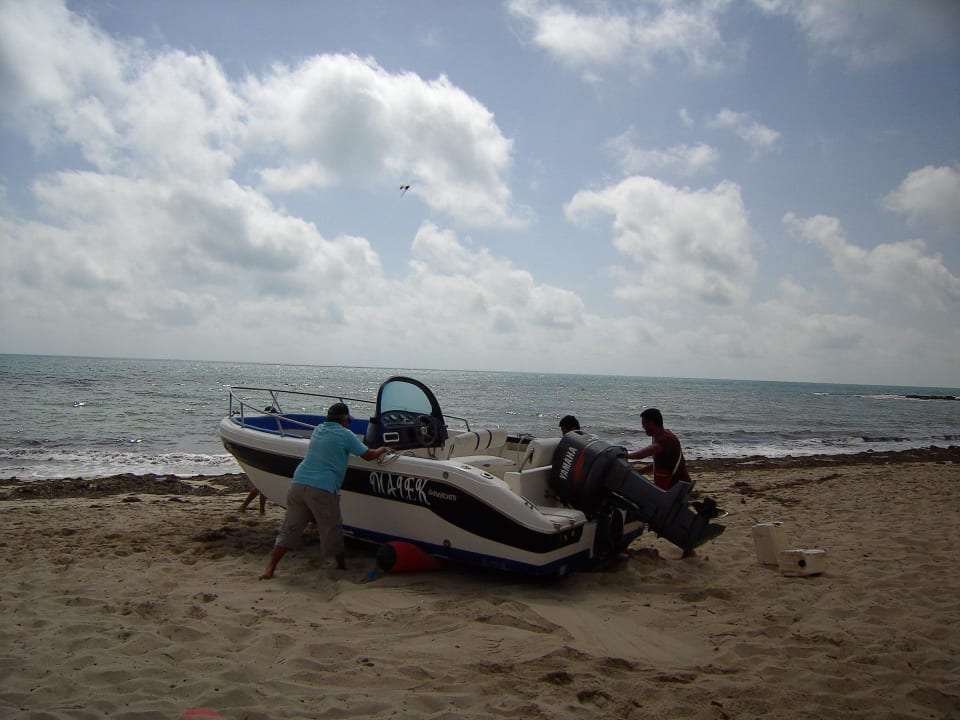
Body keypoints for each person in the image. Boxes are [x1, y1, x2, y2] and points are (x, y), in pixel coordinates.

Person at [260, 402, 390, 580]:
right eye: (348, 420)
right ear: (344, 420)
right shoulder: (346, 434)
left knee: (290, 528)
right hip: (322, 487)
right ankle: (341, 566)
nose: (349, 423)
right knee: (332, 529)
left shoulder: (318, 429)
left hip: (298, 483)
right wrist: (383, 449)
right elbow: (367, 455)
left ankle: (270, 568)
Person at [625, 408, 691, 491]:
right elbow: (660, 463)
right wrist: (642, 471)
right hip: (674, 485)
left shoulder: (666, 439)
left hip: (678, 487)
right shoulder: (660, 435)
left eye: (644, 423)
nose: (643, 426)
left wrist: (626, 455)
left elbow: (647, 452)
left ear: (652, 423)